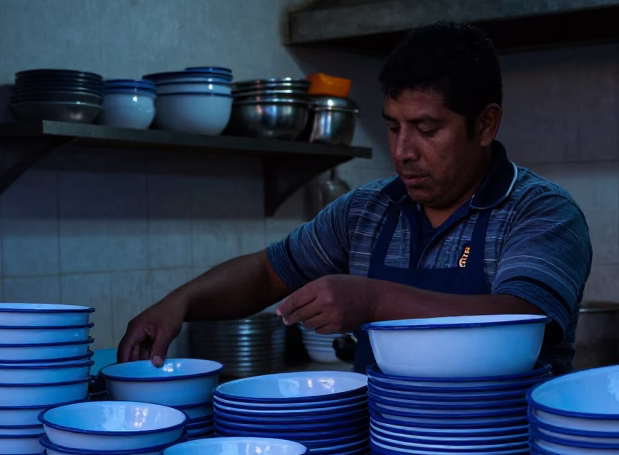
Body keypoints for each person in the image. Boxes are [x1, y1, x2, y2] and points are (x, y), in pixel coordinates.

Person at [118, 21, 592, 375]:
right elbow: (268, 271)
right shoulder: (367, 210)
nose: (403, 151)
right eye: (392, 127)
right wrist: (176, 304)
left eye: (426, 129)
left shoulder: (540, 211)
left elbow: (520, 315)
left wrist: (374, 301)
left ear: (486, 124)